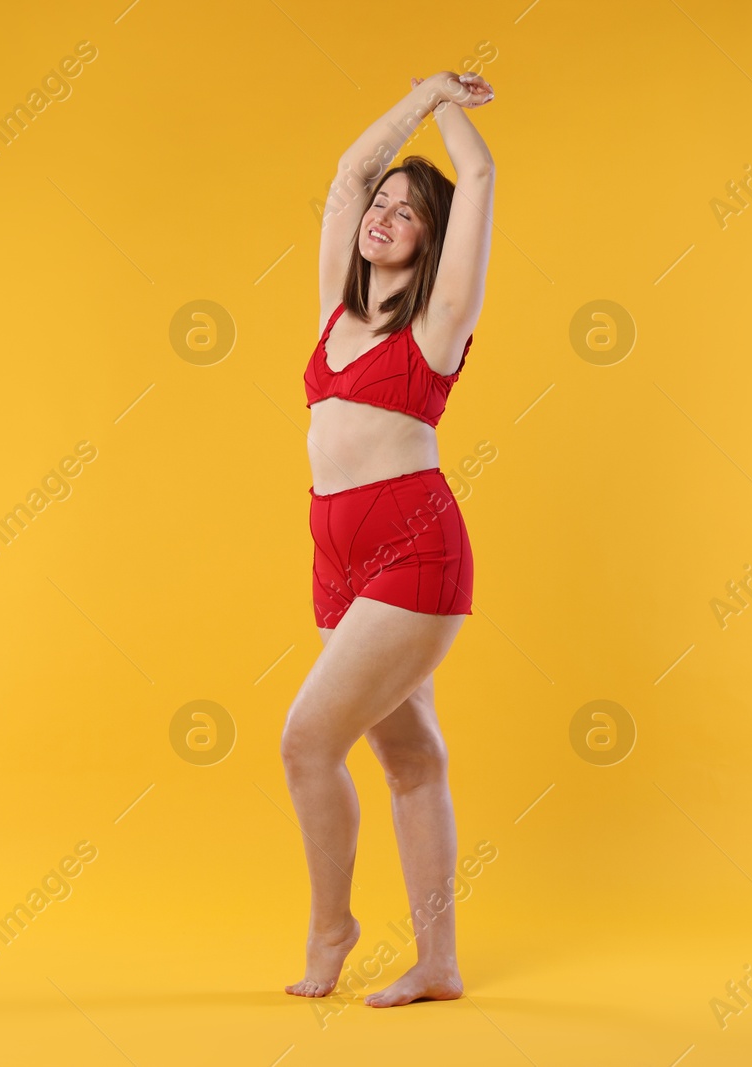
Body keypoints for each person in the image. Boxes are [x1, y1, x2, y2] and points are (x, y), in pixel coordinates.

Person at [282, 68, 495, 1008]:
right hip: (337, 564)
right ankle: (439, 962)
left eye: (408, 213)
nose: (382, 216)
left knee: (306, 743)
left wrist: (452, 109)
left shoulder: (438, 328)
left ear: (431, 242)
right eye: (384, 204)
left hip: (414, 554)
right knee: (413, 759)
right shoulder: (337, 309)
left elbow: (479, 179)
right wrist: (418, 92)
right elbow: (343, 175)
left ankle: (334, 924)